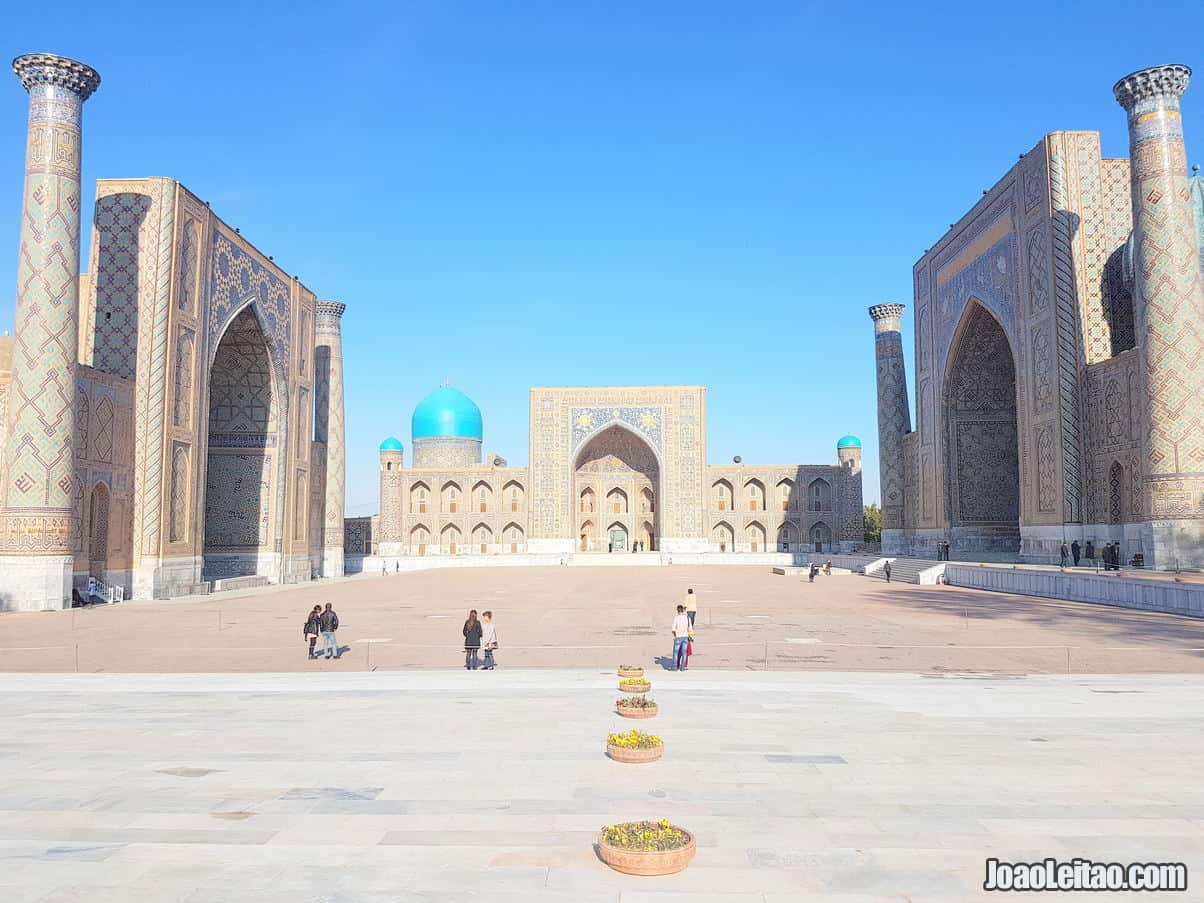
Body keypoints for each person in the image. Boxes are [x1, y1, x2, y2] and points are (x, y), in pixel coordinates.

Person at [671, 605, 690, 671]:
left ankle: (675, 667)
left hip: (678, 637)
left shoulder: (676, 618)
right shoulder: (687, 618)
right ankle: (682, 667)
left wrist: (675, 635)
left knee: (675, 652)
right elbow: (690, 628)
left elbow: (673, 629)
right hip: (685, 637)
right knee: (684, 653)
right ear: (682, 610)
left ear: (677, 610)